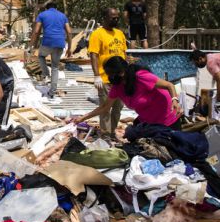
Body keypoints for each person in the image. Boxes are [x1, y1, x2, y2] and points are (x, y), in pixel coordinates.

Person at [74, 56, 182, 129]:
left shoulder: (141, 76)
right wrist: (82, 118)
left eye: (110, 75)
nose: (109, 78)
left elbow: (169, 85)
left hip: (167, 120)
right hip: (148, 121)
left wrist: (175, 100)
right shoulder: (117, 87)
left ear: (120, 73)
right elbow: (105, 107)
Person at [88, 8, 128, 138]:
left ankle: (112, 132)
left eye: (117, 17)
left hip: (120, 78)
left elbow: (124, 54)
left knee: (118, 108)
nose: (116, 20)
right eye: (113, 17)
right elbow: (93, 55)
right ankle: (105, 134)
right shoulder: (97, 34)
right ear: (105, 17)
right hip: (105, 78)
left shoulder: (120, 34)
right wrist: (96, 75)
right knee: (105, 107)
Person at [29, 2, 72, 98]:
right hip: (60, 43)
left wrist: (31, 45)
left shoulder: (42, 15)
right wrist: (70, 48)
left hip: (47, 43)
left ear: (46, 8)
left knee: (41, 56)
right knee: (55, 67)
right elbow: (69, 32)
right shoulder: (63, 16)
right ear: (56, 8)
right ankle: (52, 92)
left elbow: (36, 31)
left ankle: (45, 73)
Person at [190, 49, 220, 118]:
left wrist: (218, 98)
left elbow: (219, 79)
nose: (196, 65)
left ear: (200, 58)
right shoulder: (210, 56)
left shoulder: (210, 63)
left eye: (196, 63)